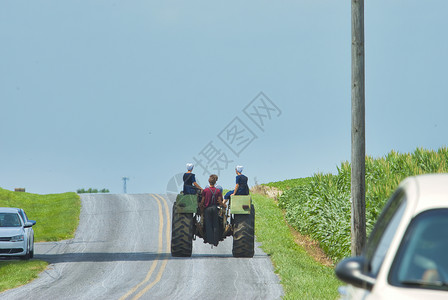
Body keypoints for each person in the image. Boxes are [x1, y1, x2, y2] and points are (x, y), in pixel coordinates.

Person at [200, 174, 226, 246]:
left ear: (209, 182)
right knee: (215, 225)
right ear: (215, 182)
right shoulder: (218, 191)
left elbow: (202, 200)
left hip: (207, 209)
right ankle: (215, 241)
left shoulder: (205, 190)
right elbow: (220, 201)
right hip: (215, 209)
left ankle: (209, 239)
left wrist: (200, 206)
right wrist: (224, 205)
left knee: (208, 224)